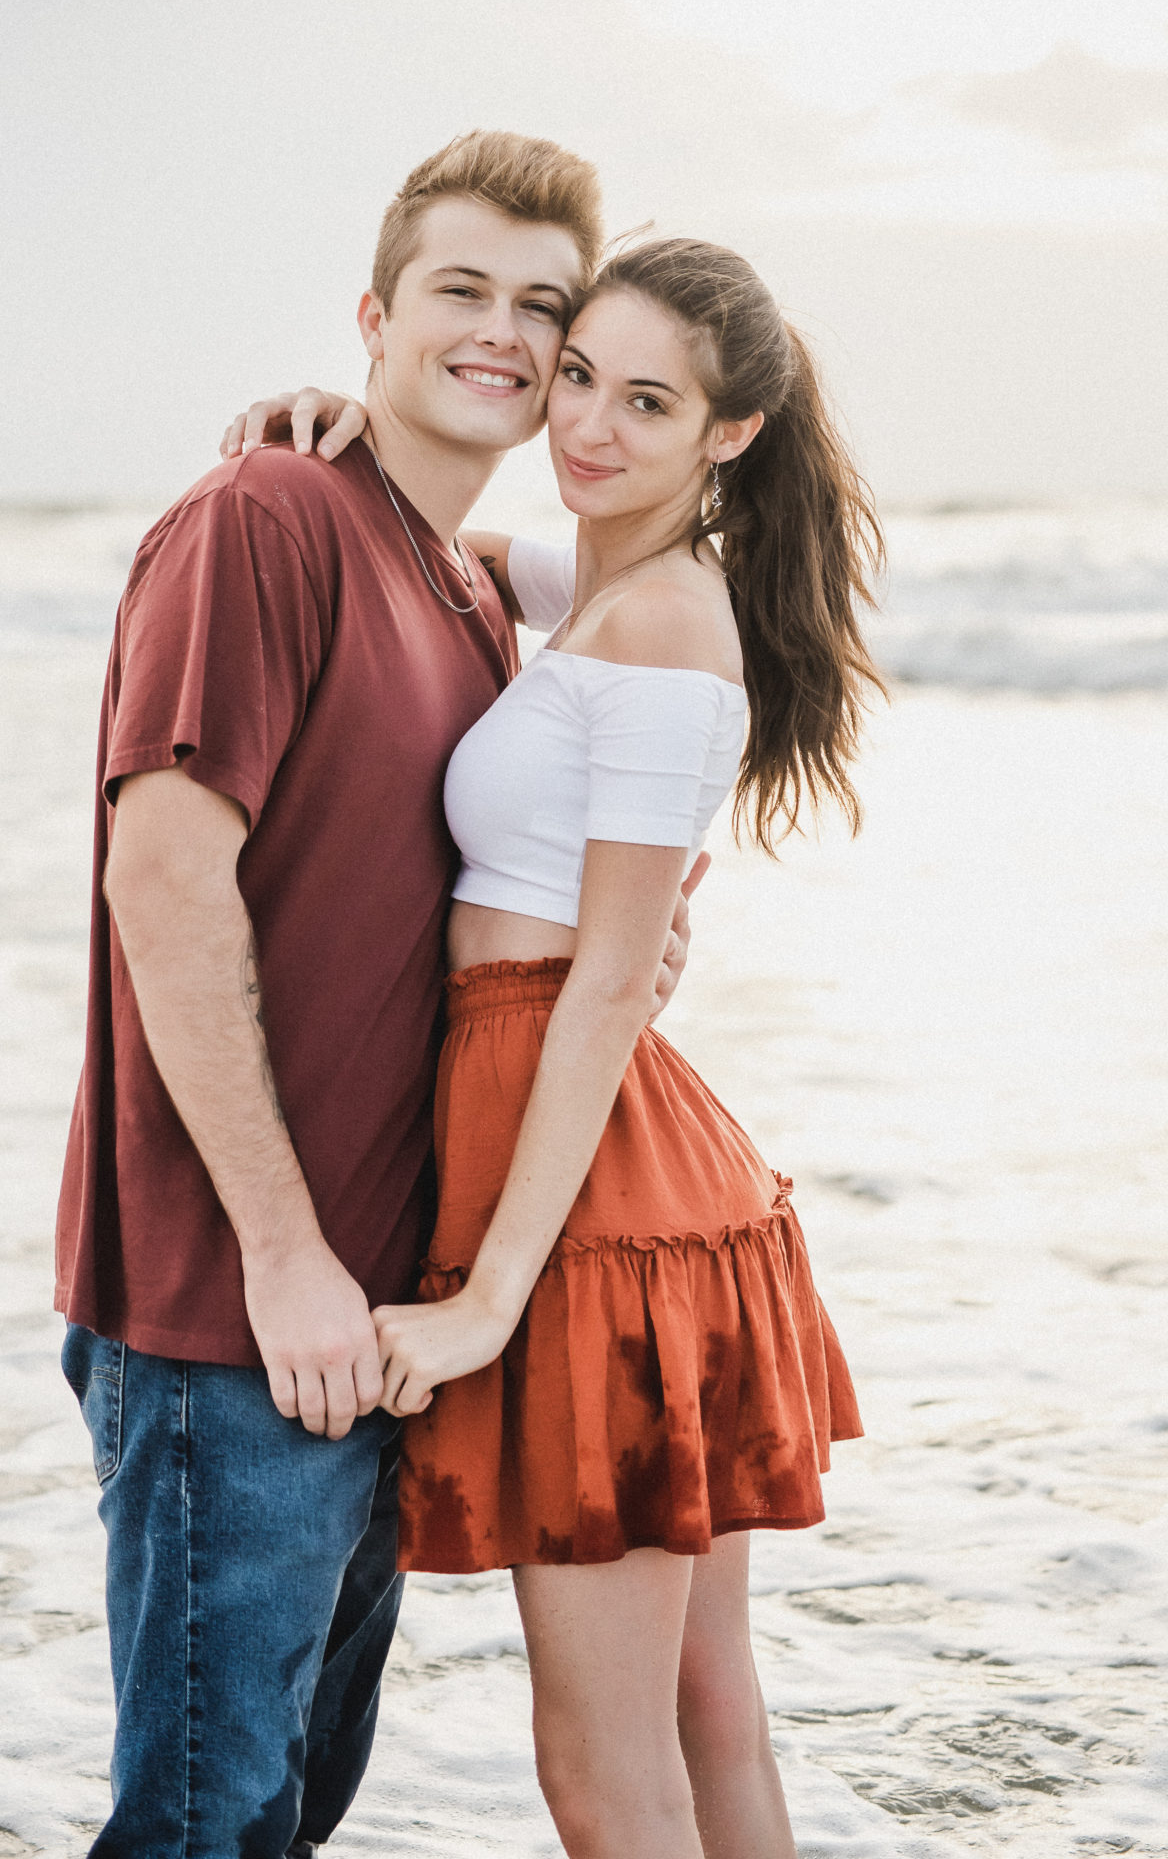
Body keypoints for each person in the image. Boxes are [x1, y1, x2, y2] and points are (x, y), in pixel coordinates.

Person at [53, 131, 702, 1859]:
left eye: (540, 308)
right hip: (238, 1312)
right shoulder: (264, 516)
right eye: (459, 291)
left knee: (283, 1815)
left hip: (378, 1309)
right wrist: (279, 1255)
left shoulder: (473, 587)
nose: (499, 334)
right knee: (203, 1826)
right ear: (373, 315)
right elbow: (163, 879)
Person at [243, 236, 878, 1859]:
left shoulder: (663, 626)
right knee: (703, 1711)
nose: (585, 423)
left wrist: (486, 1303)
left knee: (602, 1775)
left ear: (725, 434)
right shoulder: (604, 581)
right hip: (626, 1169)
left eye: (644, 401)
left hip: (591, 1190)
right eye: (578, 373)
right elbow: (444, 548)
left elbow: (606, 982)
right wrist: (346, 424)